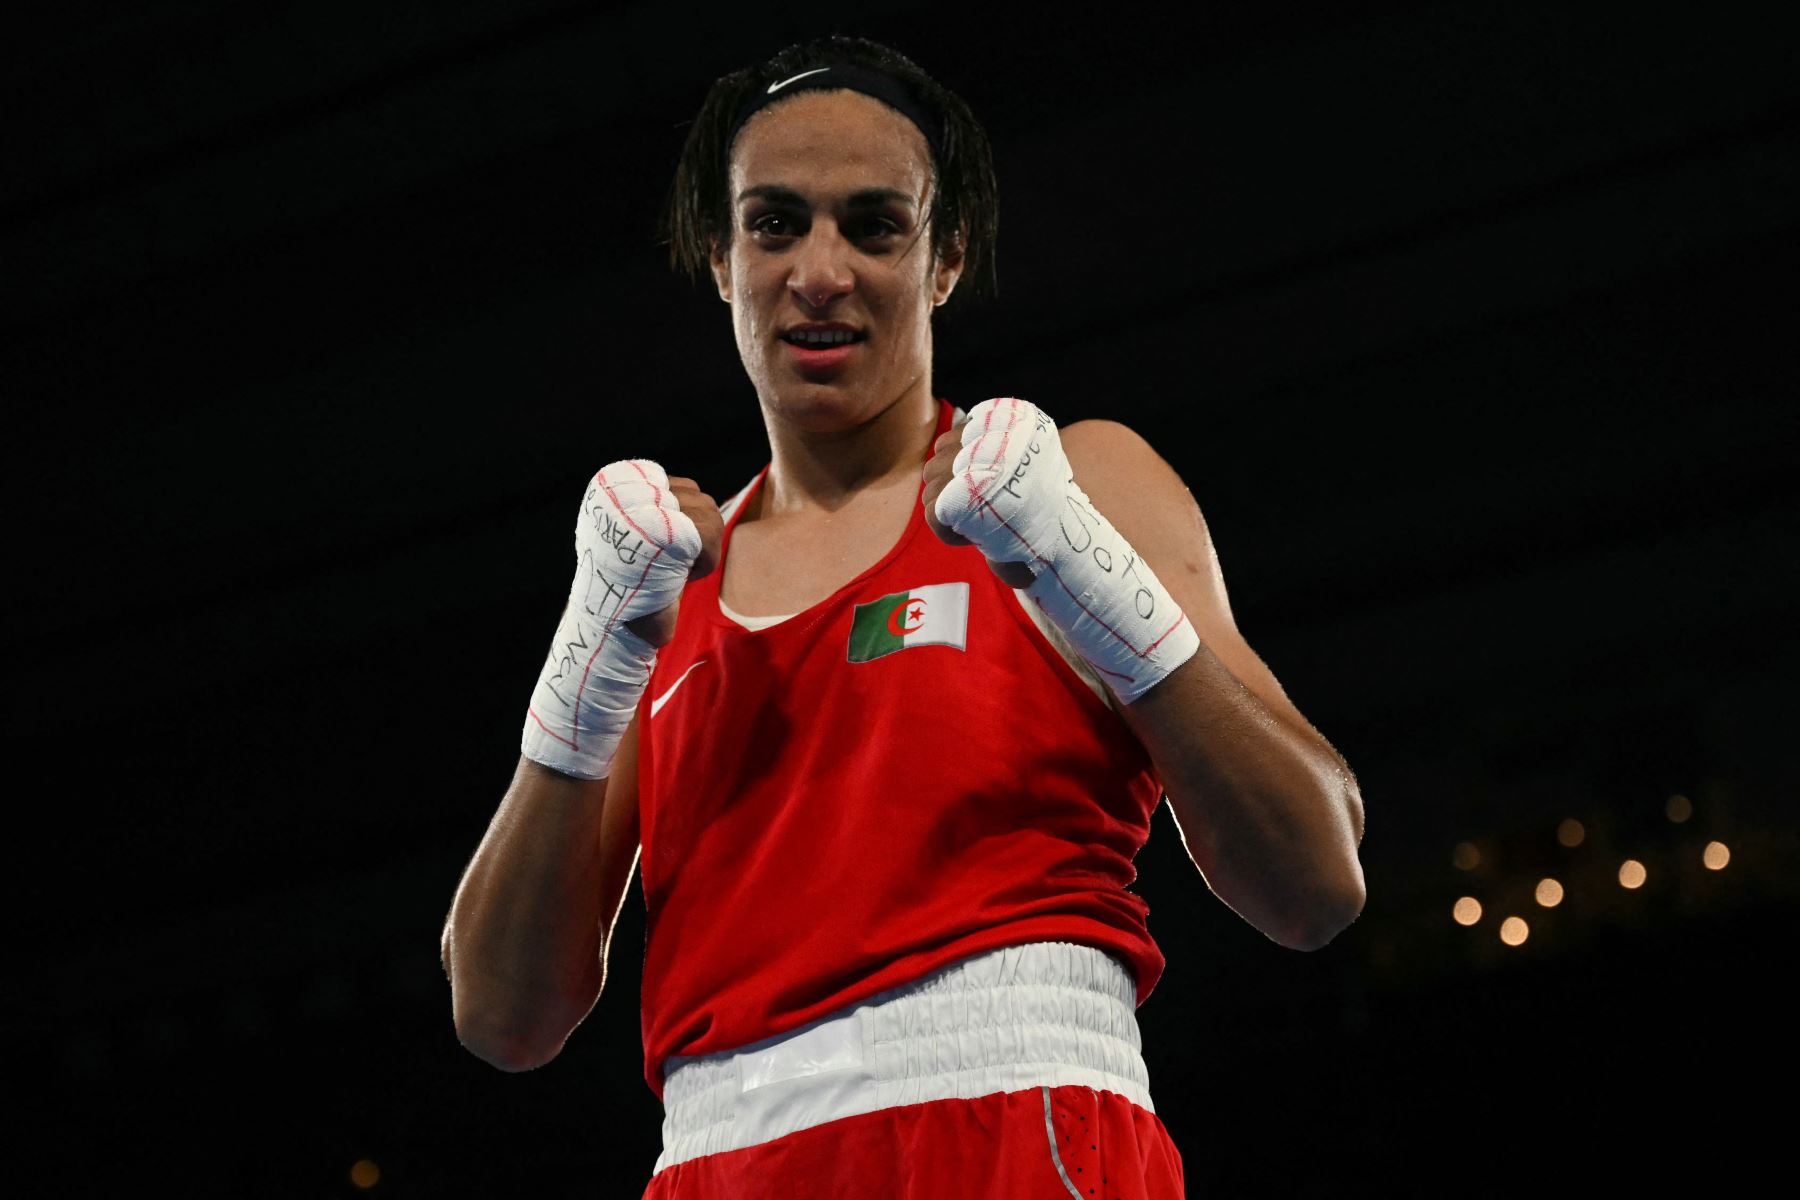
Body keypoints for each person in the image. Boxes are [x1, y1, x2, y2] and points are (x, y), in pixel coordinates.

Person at [442, 35, 1366, 1199]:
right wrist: (589, 649)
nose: (819, 273)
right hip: (715, 1164)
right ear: (720, 258)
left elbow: (1315, 882)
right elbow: (501, 1017)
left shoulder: (1076, 483)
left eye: (874, 225)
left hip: (1008, 1128)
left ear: (944, 261)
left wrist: (1074, 563)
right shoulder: (660, 590)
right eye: (775, 224)